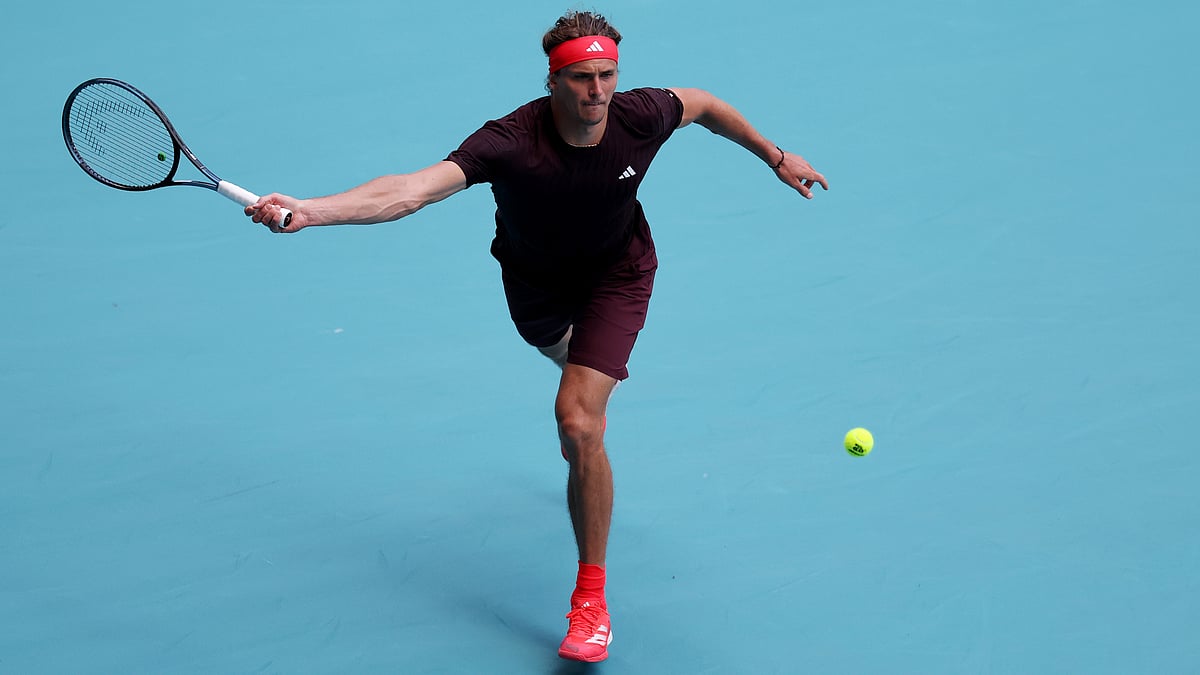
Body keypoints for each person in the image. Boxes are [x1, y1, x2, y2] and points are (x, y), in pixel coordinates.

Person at [246, 10, 827, 663]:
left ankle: (590, 597)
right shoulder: (510, 142)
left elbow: (708, 105)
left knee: (578, 422)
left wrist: (777, 157)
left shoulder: (641, 114)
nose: (598, 91)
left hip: (619, 277)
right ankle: (586, 426)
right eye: (582, 78)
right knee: (578, 409)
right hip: (537, 293)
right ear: (553, 80)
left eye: (608, 74)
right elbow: (409, 191)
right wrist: (313, 210)